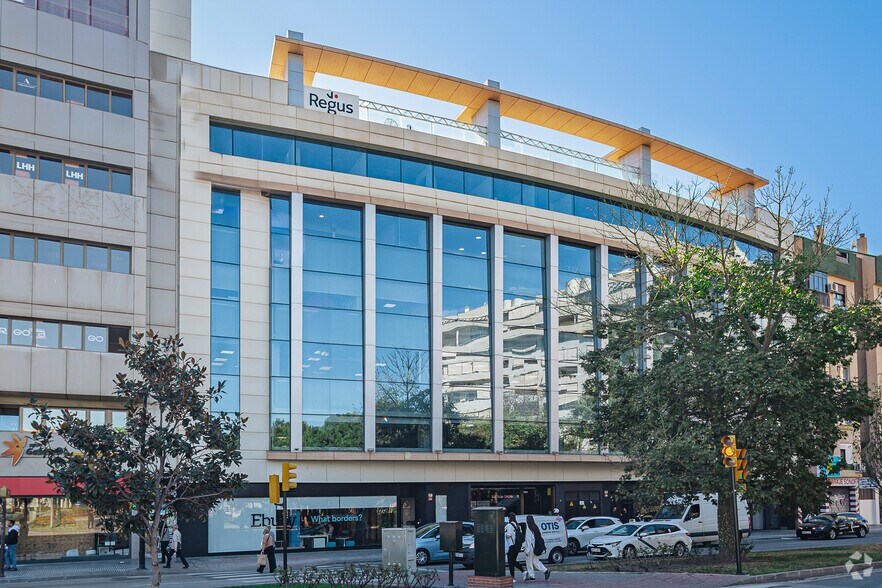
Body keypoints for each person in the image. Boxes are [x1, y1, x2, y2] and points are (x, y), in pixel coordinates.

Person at [523, 515, 550, 582]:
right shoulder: (535, 527)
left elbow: (529, 540)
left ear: (527, 520)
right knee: (535, 561)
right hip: (535, 548)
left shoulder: (528, 529)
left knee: (529, 562)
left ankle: (532, 576)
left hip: (530, 548)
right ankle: (545, 570)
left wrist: (526, 550)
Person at [504, 512, 525, 581]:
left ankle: (513, 578)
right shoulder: (518, 526)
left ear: (509, 518)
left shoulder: (510, 525)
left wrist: (505, 534)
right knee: (513, 561)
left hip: (511, 545)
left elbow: (508, 535)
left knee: (511, 562)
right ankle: (524, 571)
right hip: (518, 545)